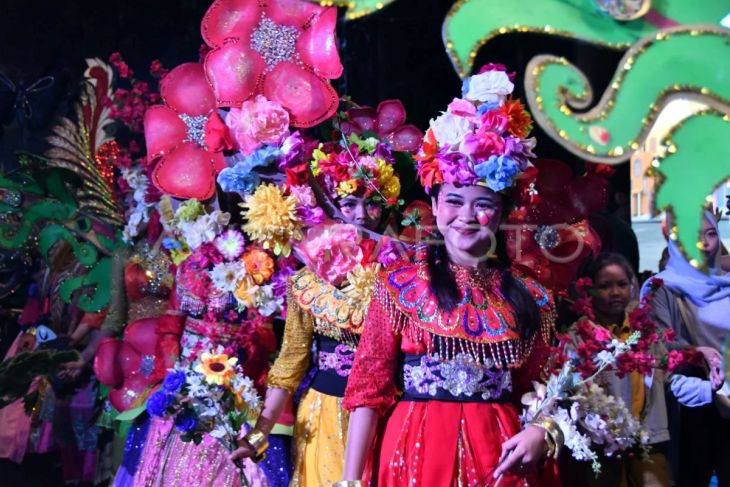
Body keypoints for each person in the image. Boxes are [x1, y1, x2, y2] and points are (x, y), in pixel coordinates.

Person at [336, 64, 562, 486]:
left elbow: (544, 386)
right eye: (454, 201)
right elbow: (368, 389)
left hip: (499, 455)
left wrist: (543, 431)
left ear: (501, 213)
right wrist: (349, 481)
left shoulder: (530, 295)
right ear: (436, 206)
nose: (467, 216)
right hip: (414, 452)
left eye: (483, 204)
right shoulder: (399, 284)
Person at [230, 107, 413, 486]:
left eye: (372, 202)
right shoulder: (307, 282)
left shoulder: (405, 276)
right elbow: (290, 362)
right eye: (349, 203)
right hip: (324, 414)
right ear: (329, 205)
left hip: (390, 417)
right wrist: (260, 433)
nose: (361, 215)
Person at [566, 252, 670, 487]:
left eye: (622, 284)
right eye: (605, 286)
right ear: (590, 290)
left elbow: (667, 374)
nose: (615, 292)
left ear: (632, 287)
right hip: (601, 446)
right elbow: (573, 395)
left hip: (647, 440)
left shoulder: (643, 331)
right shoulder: (578, 337)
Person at [643, 211, 730, 486]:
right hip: (690, 402)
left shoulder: (726, 282)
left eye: (711, 234)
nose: (704, 244)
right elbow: (658, 345)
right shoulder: (660, 287)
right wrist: (697, 351)